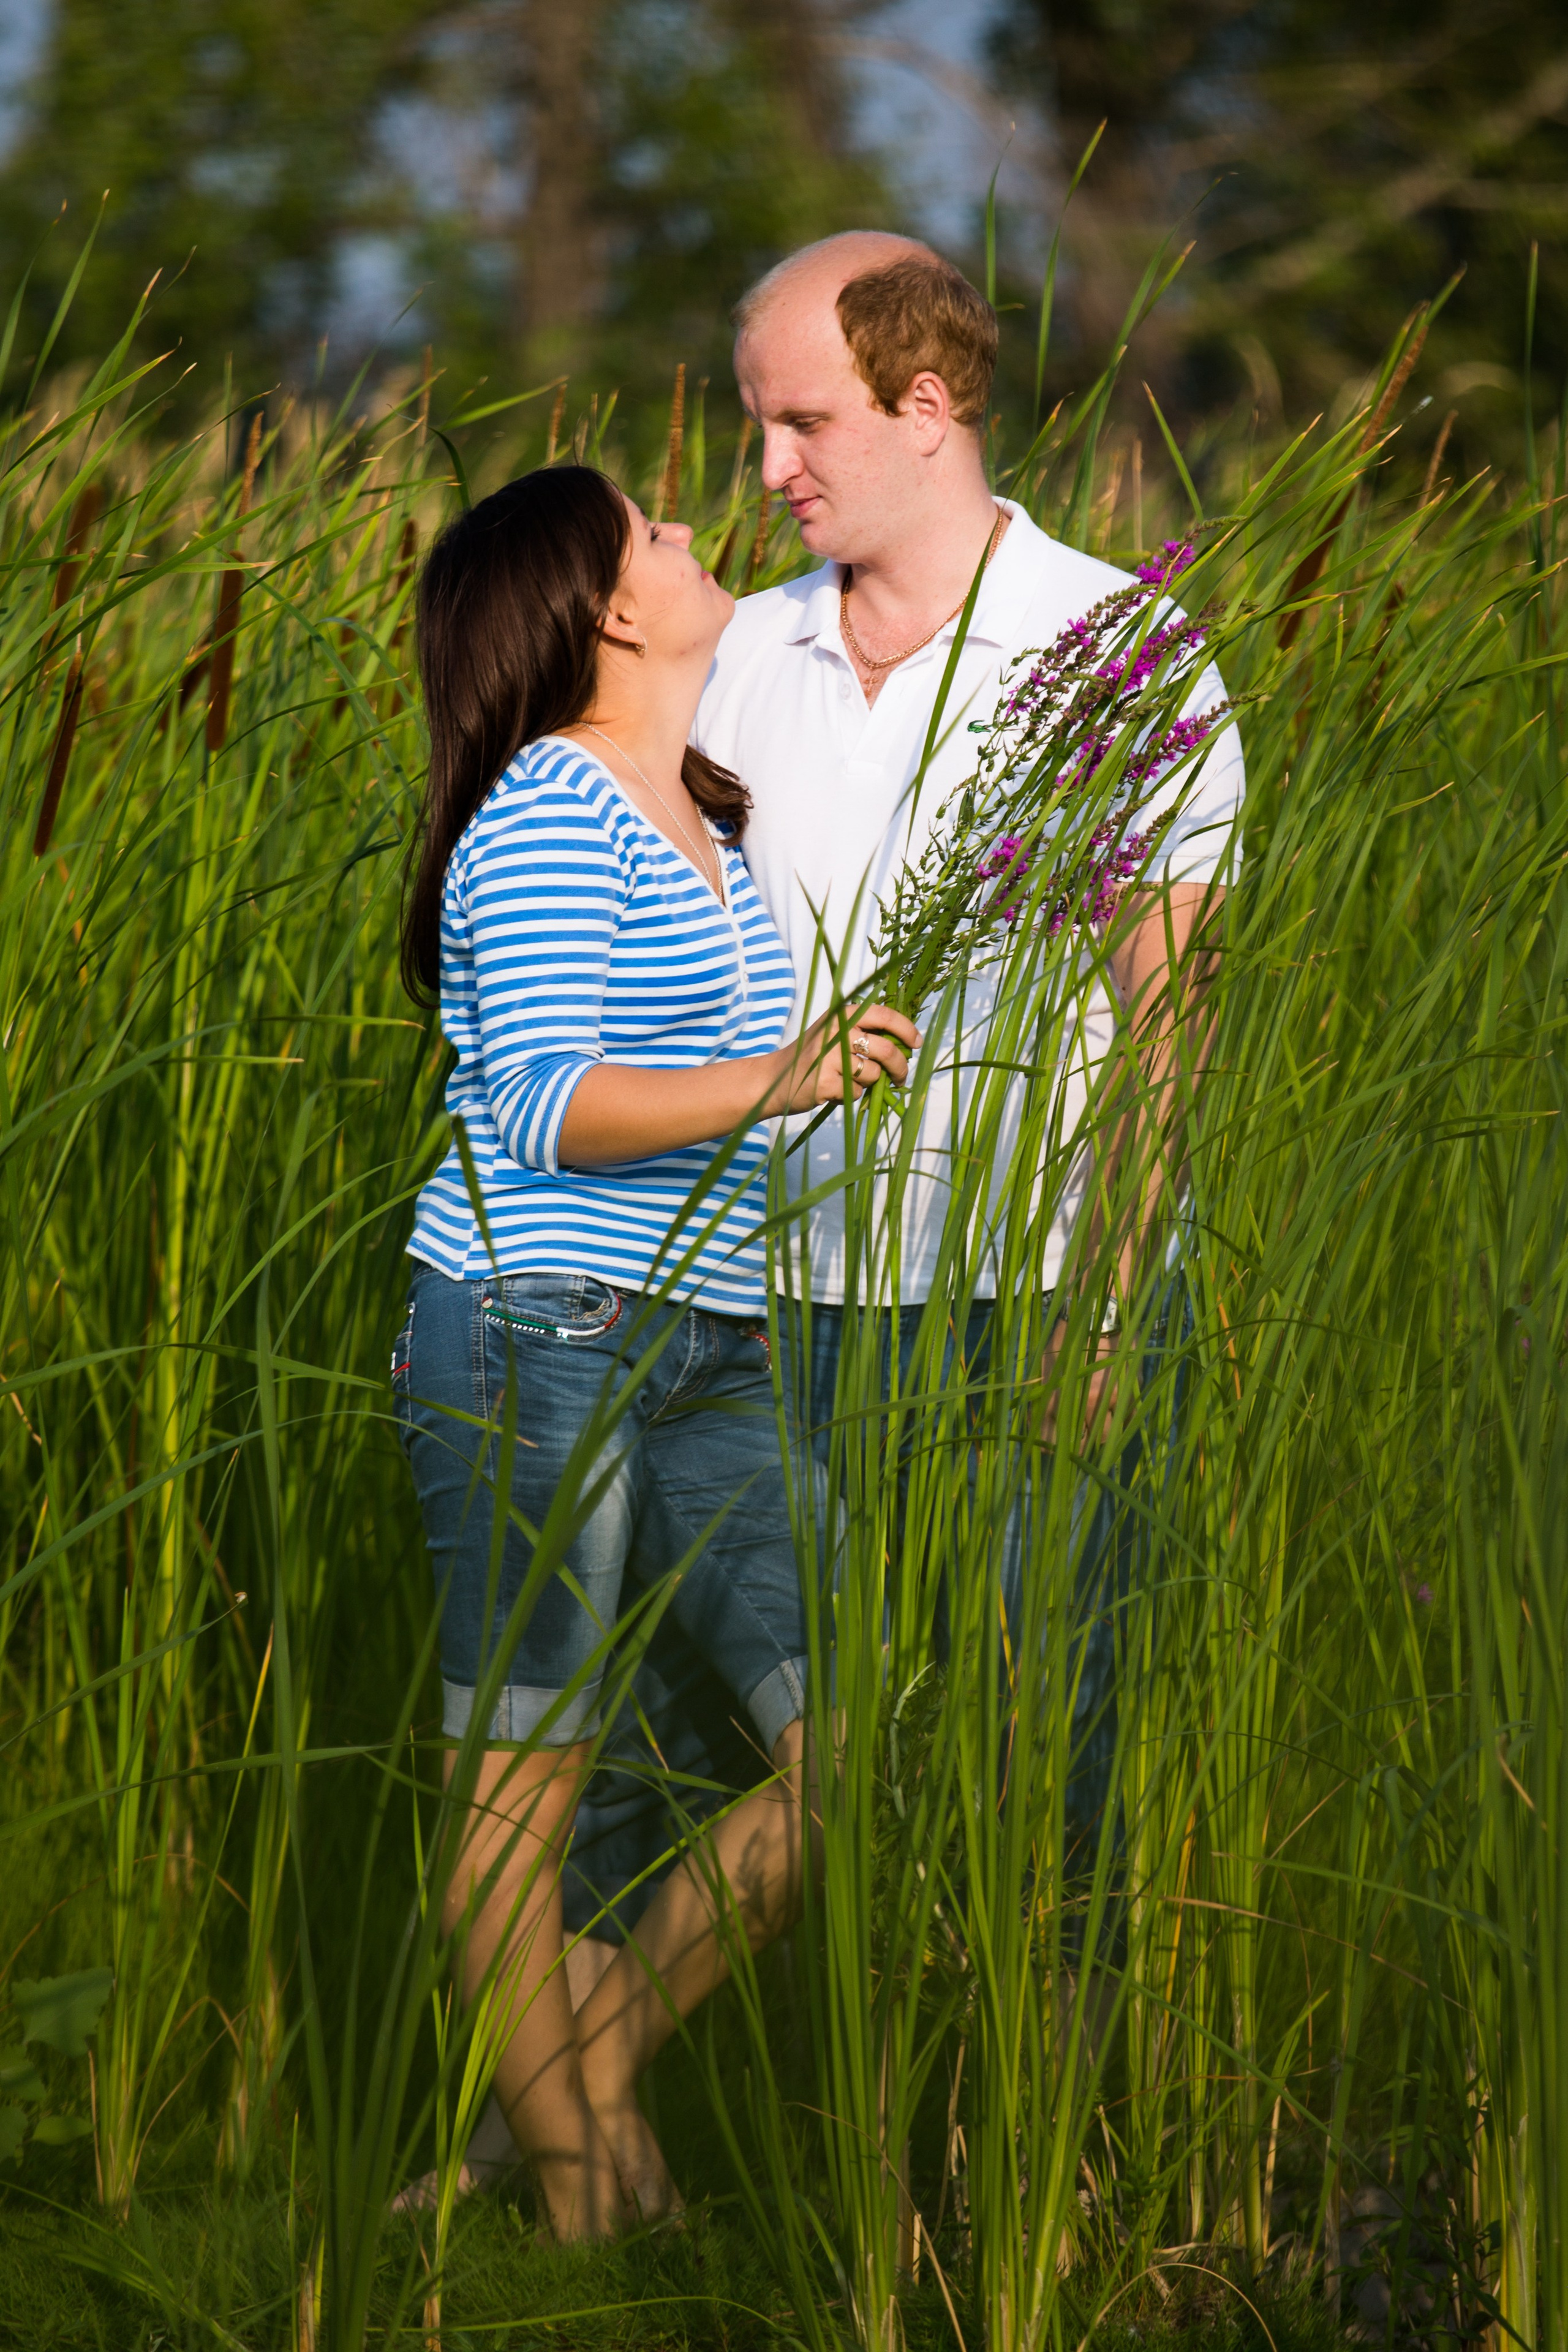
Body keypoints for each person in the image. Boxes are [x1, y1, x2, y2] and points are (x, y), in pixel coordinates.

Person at [458, 233, 1245, 2192]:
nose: (770, 463)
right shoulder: (744, 657)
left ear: (931, 401)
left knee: (1030, 1757)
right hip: (740, 1301)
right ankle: (567, 2129)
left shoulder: (1116, 652)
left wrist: (1112, 1292)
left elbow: (1172, 1020)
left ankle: (1016, 2185)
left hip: (1021, 1295)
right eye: (755, 422)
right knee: (653, 1748)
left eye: (803, 419)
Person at [391, 462, 916, 2234]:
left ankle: (576, 2092)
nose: (697, 543)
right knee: (525, 1769)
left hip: (710, 1336)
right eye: (659, 535)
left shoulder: (704, 803)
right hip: (538, 1329)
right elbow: (542, 1106)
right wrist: (789, 1072)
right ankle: (574, 2195)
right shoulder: (552, 805)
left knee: (858, 1749)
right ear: (610, 608)